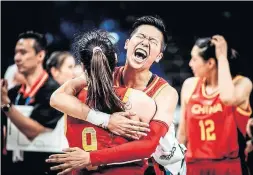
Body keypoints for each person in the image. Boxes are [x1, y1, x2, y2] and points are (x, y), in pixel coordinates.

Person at [46, 16, 184, 175]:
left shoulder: (165, 93)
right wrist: (106, 120)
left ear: (159, 56)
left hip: (151, 166)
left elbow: (149, 145)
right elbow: (57, 98)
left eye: (153, 41)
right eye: (141, 36)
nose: (145, 42)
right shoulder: (103, 72)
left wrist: (91, 158)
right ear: (126, 44)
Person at [176, 35, 252, 175]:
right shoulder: (190, 85)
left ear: (210, 63)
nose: (190, 64)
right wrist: (175, 165)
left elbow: (228, 98)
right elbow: (182, 132)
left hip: (227, 165)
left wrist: (221, 58)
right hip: (194, 165)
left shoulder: (242, 84)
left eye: (194, 59)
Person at [1, 31, 63, 175]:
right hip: (13, 167)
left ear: (40, 55)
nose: (17, 58)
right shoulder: (12, 93)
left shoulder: (54, 92)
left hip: (43, 169)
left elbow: (33, 131)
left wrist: (6, 105)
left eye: (23, 53)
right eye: (16, 53)